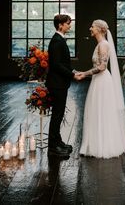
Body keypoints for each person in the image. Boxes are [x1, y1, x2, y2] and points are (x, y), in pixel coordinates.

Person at [76, 19, 125, 159]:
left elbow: (102, 67)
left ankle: (103, 145)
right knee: (96, 111)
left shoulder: (103, 45)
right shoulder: (100, 44)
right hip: (97, 81)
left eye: (92, 26)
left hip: (103, 81)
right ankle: (96, 143)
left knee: (102, 111)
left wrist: (84, 74)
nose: (90, 28)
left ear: (99, 29)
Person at [45, 14, 78, 157]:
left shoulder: (59, 39)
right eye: (67, 23)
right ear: (60, 25)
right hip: (57, 84)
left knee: (58, 114)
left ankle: (58, 142)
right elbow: (56, 65)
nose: (69, 26)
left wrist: (73, 71)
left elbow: (63, 63)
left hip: (59, 83)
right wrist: (72, 75)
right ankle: (53, 147)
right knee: (57, 115)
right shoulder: (57, 41)